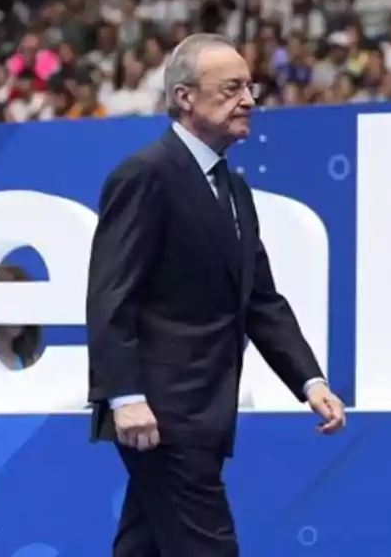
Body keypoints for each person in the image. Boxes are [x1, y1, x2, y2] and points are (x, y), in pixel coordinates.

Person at [86, 33, 346, 557]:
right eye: (231, 88)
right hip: (161, 414)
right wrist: (125, 397)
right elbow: (111, 294)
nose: (249, 99)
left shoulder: (233, 188)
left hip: (202, 412)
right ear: (185, 97)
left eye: (249, 87)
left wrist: (308, 379)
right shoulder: (145, 175)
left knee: (144, 547)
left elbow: (261, 300)